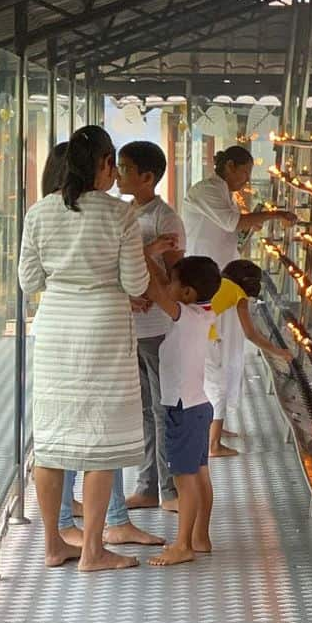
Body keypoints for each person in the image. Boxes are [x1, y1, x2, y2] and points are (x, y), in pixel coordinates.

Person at [18, 125, 154, 572]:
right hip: (105, 331)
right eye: (111, 161)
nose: (115, 170)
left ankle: (53, 544)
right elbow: (136, 282)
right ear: (101, 164)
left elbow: (28, 282)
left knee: (52, 441)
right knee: (101, 442)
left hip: (56, 330)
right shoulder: (120, 216)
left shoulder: (39, 212)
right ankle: (93, 550)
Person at [183, 145, 295, 457]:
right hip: (206, 284)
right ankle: (212, 440)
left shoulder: (222, 194)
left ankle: (214, 424)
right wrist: (275, 214)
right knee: (215, 365)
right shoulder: (206, 191)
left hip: (218, 280)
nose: (246, 179)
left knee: (226, 356)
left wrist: (249, 227)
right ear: (229, 166)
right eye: (244, 172)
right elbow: (233, 223)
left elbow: (233, 230)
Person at [117, 141, 186, 512]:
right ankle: (146, 485)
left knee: (163, 407)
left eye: (125, 168)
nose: (118, 174)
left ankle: (171, 489)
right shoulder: (124, 213)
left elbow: (177, 276)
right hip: (131, 326)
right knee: (143, 408)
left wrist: (152, 272)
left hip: (158, 326)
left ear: (148, 177)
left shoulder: (165, 218)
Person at [144, 256, 223, 566]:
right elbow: (164, 286)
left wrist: (143, 250)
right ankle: (201, 536)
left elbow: (155, 290)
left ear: (187, 292)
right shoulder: (204, 311)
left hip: (182, 408)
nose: (169, 285)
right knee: (200, 474)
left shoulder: (185, 316)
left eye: (174, 282)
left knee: (183, 479)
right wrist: (155, 259)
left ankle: (183, 544)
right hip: (199, 405)